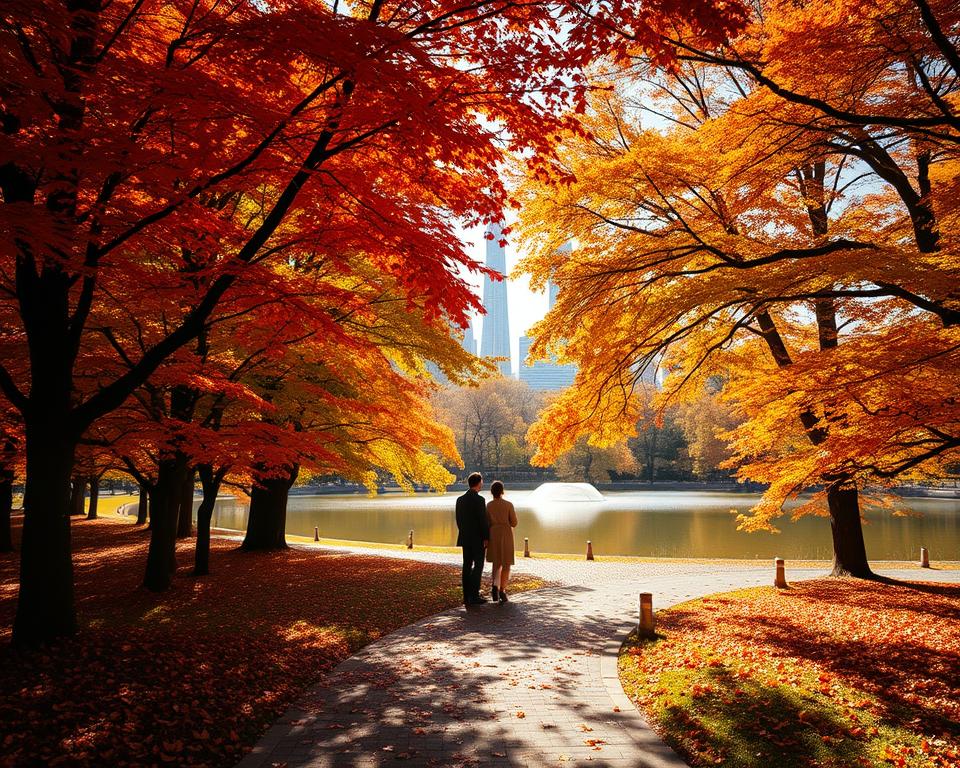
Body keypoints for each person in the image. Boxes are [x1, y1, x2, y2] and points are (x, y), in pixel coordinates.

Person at [455, 472, 489, 606]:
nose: (482, 484)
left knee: (467, 566)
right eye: (481, 482)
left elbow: (458, 520)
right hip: (478, 539)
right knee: (478, 565)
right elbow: (483, 521)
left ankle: (466, 595)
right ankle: (474, 595)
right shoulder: (479, 500)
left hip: (465, 537)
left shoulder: (460, 499)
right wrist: (486, 537)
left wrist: (463, 532)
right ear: (478, 483)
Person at [485, 480, 518, 602]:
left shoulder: (489, 505)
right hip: (506, 533)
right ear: (502, 491)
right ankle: (502, 590)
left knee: (496, 562)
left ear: (492, 492)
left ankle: (494, 584)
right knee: (506, 563)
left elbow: (487, 522)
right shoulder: (508, 505)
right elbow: (514, 522)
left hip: (493, 533)